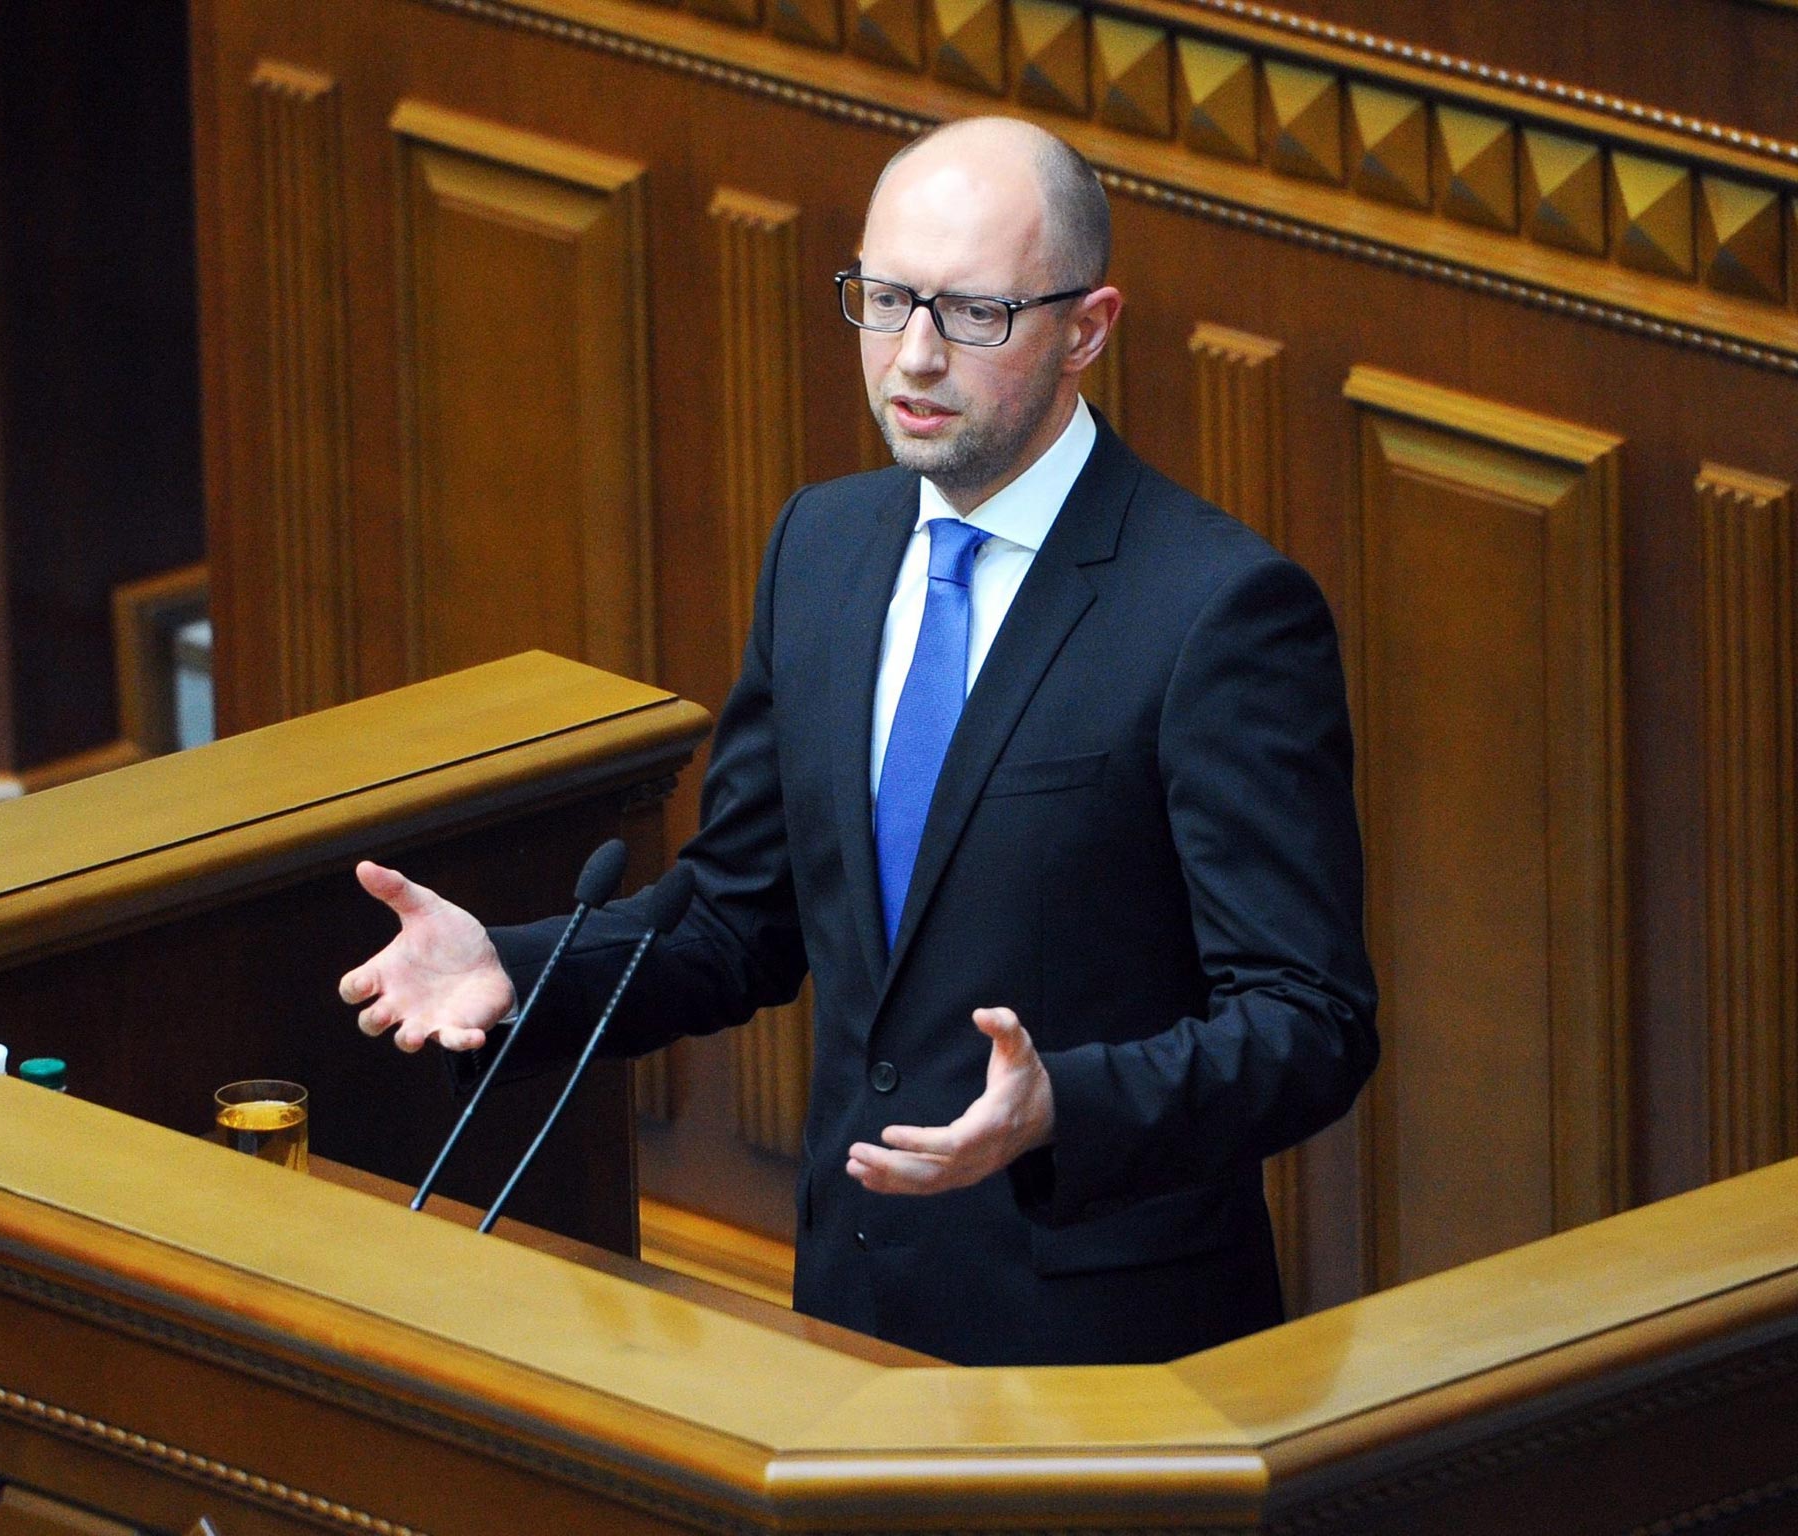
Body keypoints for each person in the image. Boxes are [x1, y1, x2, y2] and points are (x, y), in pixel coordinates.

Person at [340, 116, 1377, 1367]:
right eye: (884, 301)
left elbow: (1307, 1019)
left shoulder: (1214, 611)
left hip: (1103, 1348)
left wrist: (1065, 1107)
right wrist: (514, 970)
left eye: (972, 314)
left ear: (1087, 328)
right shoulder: (822, 550)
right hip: (849, 1309)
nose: (915, 358)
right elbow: (740, 917)